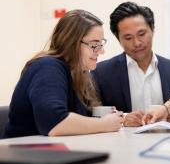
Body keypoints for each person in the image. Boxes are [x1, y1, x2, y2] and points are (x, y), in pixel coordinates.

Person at [3, 10, 124, 138]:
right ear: (71, 42)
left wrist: (119, 118)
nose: (102, 51)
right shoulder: (47, 66)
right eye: (94, 45)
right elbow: (55, 123)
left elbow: (84, 118)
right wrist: (103, 124)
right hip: (21, 154)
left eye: (101, 44)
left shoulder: (79, 74)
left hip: (51, 152)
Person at [92, 2, 170, 126]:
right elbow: (93, 114)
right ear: (119, 39)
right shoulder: (102, 72)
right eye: (128, 38)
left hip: (168, 142)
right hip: (123, 143)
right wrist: (123, 119)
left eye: (142, 34)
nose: (137, 43)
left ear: (153, 30)